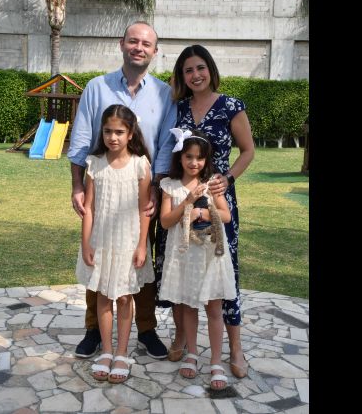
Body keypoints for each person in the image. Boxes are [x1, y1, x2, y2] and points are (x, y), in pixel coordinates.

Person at [68, 21, 176, 359]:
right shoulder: (96, 88)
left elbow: (164, 147)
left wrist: (156, 192)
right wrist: (76, 186)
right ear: (122, 44)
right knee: (96, 258)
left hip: (144, 193)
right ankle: (93, 330)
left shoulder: (164, 93)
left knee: (140, 259)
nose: (139, 47)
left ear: (154, 52)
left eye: (146, 43)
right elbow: (82, 140)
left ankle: (145, 329)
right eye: (133, 41)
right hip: (101, 190)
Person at [155, 44, 255, 378]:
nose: (196, 75)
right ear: (181, 76)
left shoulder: (230, 105)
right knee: (182, 266)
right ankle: (183, 340)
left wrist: (225, 179)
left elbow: (248, 151)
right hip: (181, 193)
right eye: (188, 70)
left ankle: (235, 349)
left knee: (224, 273)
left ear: (210, 69)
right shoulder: (178, 106)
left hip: (217, 197)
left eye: (200, 68)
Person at [75, 104, 153, 383]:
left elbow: (146, 209)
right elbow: (90, 208)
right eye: (108, 131)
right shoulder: (94, 164)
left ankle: (122, 352)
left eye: (120, 132)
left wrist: (142, 245)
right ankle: (106, 351)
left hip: (128, 242)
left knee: (124, 297)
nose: (113, 137)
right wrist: (86, 243)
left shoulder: (140, 164)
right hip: (101, 241)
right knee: (103, 297)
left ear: (131, 133)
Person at [158, 128, 236, 391]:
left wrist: (204, 212)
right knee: (188, 306)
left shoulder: (213, 183)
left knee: (214, 308)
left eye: (199, 158)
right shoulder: (169, 185)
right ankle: (192, 353)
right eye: (189, 157)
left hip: (209, 253)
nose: (194, 163)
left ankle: (215, 361)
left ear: (206, 160)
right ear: (180, 157)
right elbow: (166, 221)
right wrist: (187, 204)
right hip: (183, 255)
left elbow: (226, 216)